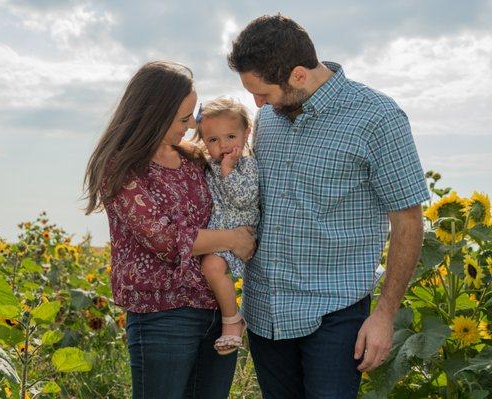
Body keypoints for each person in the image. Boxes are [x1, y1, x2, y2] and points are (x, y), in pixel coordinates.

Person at [227, 15, 430, 398]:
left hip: (334, 316)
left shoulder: (379, 118)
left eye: (263, 93)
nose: (256, 104)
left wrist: (385, 314)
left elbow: (408, 220)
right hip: (265, 313)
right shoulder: (269, 116)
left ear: (299, 75)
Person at [83, 61, 256, 399]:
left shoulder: (192, 158)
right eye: (182, 119)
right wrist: (235, 238)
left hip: (215, 310)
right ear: (154, 115)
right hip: (162, 314)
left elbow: (228, 199)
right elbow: (164, 238)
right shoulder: (121, 167)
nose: (191, 125)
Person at [193, 97, 260, 355]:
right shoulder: (211, 164)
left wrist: (229, 170)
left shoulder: (246, 164)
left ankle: (232, 321)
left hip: (240, 232)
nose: (223, 146)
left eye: (231, 136)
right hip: (221, 232)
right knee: (211, 267)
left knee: (211, 265)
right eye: (213, 140)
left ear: (247, 134)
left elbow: (245, 198)